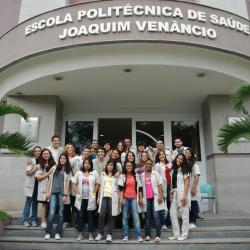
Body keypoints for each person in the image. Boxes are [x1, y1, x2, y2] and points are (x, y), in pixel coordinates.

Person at [44, 153, 71, 240]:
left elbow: (67, 184)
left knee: (60, 213)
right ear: (59, 159)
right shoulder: (54, 168)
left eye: (64, 158)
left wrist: (65, 195)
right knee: (51, 212)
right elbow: (49, 180)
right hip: (52, 193)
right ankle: (48, 232)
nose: (62, 160)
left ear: (66, 160)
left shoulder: (67, 170)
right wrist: (47, 192)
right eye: (61, 158)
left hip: (61, 194)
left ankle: (58, 233)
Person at [72, 158, 99, 241]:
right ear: (83, 164)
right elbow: (73, 182)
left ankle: (90, 234)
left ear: (91, 164)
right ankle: (80, 234)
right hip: (81, 198)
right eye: (85, 163)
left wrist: (94, 193)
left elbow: (98, 183)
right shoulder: (79, 173)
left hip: (90, 198)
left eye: (88, 163)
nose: (87, 164)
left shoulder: (94, 173)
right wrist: (77, 192)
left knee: (90, 216)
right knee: (81, 216)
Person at [139, 159, 166, 243]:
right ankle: (147, 235)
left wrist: (161, 195)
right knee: (148, 217)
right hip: (147, 198)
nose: (148, 165)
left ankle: (158, 236)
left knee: (156, 216)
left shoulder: (156, 173)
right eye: (147, 164)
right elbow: (140, 188)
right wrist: (140, 198)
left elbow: (160, 185)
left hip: (155, 197)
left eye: (150, 164)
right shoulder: (142, 175)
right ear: (145, 165)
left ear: (152, 165)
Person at [95, 160, 120, 242]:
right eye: (109, 165)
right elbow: (99, 186)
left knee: (111, 215)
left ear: (114, 167)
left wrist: (118, 172)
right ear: (106, 166)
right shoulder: (102, 175)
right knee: (101, 214)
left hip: (113, 197)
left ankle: (109, 234)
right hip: (104, 197)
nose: (110, 166)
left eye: (112, 165)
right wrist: (98, 197)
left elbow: (119, 188)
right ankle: (100, 233)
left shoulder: (116, 176)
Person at [118, 161, 143, 242]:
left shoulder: (136, 176)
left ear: (133, 167)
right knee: (125, 217)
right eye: (127, 166)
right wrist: (121, 198)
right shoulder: (122, 176)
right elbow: (120, 188)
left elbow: (140, 188)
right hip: (125, 198)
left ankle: (138, 236)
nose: (129, 167)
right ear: (125, 167)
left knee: (136, 217)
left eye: (130, 166)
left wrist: (140, 198)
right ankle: (125, 235)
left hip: (134, 198)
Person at [169, 153, 191, 241]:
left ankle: (184, 235)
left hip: (183, 193)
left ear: (183, 161)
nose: (179, 160)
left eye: (181, 159)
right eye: (178, 158)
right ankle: (176, 234)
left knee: (184, 215)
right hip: (174, 193)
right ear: (176, 158)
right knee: (172, 213)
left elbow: (187, 183)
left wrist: (185, 196)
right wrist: (171, 193)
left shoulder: (185, 170)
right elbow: (172, 183)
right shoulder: (173, 169)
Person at [35, 148, 56, 228]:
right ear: (41, 155)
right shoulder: (39, 165)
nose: (46, 155)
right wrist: (48, 173)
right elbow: (38, 178)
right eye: (44, 154)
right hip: (44, 187)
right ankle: (43, 221)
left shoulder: (54, 164)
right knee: (44, 204)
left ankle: (51, 221)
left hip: (53, 187)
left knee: (52, 205)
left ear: (50, 154)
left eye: (47, 153)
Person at [23, 146, 41, 227]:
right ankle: (26, 220)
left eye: (39, 151)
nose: (37, 152)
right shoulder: (30, 161)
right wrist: (35, 169)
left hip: (39, 185)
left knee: (35, 203)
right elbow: (28, 173)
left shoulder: (42, 161)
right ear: (34, 152)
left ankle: (34, 219)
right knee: (28, 202)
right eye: (36, 151)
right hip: (31, 185)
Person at [154, 150, 171, 230]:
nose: (161, 156)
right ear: (158, 156)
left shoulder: (169, 164)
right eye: (160, 155)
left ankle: (168, 222)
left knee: (169, 205)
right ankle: (162, 223)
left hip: (169, 186)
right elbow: (157, 178)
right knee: (162, 207)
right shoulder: (157, 165)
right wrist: (160, 189)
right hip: (162, 187)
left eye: (163, 154)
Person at [185, 148, 200, 229]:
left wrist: (194, 187)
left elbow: (196, 176)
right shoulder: (185, 163)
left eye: (189, 153)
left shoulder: (194, 164)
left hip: (192, 187)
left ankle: (193, 222)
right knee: (188, 205)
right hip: (186, 188)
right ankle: (188, 221)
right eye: (186, 153)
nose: (187, 154)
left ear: (192, 155)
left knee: (193, 205)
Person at [64, 143, 78, 227]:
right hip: (66, 182)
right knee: (67, 203)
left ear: (73, 149)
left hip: (74, 183)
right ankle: (66, 221)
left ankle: (74, 222)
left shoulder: (77, 158)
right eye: (68, 148)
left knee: (74, 203)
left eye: (71, 147)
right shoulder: (63, 158)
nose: (70, 149)